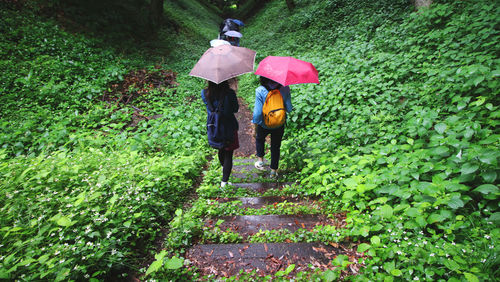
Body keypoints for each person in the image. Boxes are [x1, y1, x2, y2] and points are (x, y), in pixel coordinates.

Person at [252, 76, 292, 178]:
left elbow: (257, 114)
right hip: (279, 124)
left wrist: (254, 126)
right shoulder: (285, 88)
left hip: (263, 124)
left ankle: (260, 161)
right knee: (275, 146)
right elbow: (289, 108)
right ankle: (274, 171)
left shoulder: (260, 90)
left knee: (260, 139)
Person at [201, 80, 239, 188]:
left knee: (221, 149)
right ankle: (224, 182)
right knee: (228, 153)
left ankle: (224, 171)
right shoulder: (229, 93)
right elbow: (235, 109)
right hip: (229, 127)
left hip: (214, 127)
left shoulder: (204, 93)